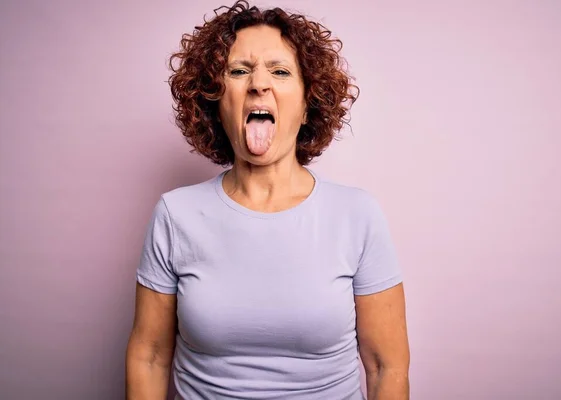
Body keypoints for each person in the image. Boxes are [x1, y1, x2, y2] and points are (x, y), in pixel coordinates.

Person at [125, 1, 410, 399]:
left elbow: (386, 367)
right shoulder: (176, 214)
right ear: (215, 101)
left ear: (308, 102)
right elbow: (150, 355)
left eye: (279, 71)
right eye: (239, 71)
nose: (259, 84)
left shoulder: (357, 215)